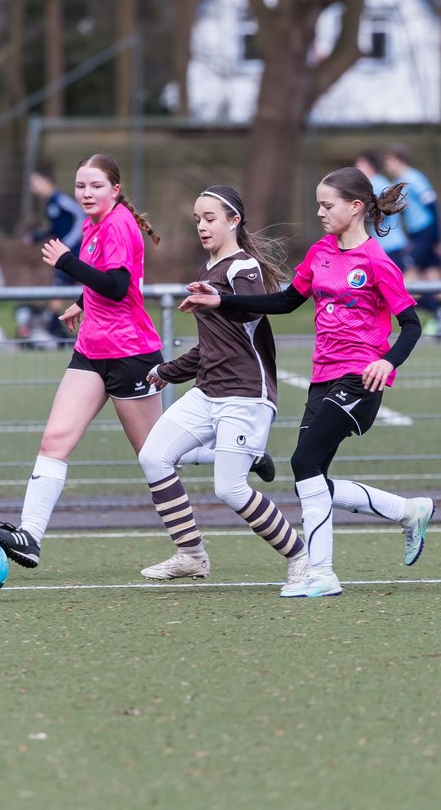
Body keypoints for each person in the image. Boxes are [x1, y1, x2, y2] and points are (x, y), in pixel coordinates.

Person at [181, 167, 435, 599]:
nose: (319, 212)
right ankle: (408, 511)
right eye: (318, 203)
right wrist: (221, 298)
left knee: (304, 465)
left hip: (359, 379)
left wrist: (388, 363)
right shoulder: (320, 252)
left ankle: (322, 575)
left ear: (355, 207)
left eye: (327, 204)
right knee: (312, 475)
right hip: (323, 378)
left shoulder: (377, 261)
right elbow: (285, 301)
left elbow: (411, 326)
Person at [0, 153, 174, 569]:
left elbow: (121, 287)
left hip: (130, 355)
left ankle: (231, 450)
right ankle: (29, 535)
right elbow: (104, 283)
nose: (86, 193)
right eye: (81, 186)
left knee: (157, 453)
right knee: (55, 440)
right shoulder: (93, 224)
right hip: (91, 352)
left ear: (115, 190)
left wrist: (68, 264)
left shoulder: (119, 223)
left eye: (96, 186)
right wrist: (80, 301)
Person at [136, 185, 307, 586]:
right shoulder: (209, 272)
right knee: (153, 457)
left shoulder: (241, 268)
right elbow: (212, 347)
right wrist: (167, 371)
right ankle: (191, 555)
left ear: (234, 221)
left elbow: (249, 307)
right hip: (208, 391)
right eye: (197, 219)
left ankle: (301, 555)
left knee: (230, 490)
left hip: (245, 394)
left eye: (210, 218)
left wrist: (217, 297)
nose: (202, 226)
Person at [383, 144, 441, 334]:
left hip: (425, 233)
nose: (387, 165)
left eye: (388, 161)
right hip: (417, 234)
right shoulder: (399, 182)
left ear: (398, 159)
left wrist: (436, 237)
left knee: (407, 277)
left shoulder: (413, 178)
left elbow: (433, 205)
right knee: (431, 274)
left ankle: (439, 312)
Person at [20, 164, 85, 346]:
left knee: (67, 287)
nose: (33, 187)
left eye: (35, 182)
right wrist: (36, 236)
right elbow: (54, 229)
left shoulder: (60, 200)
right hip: (65, 255)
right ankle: (55, 327)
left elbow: (80, 216)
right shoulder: (49, 204)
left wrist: (68, 243)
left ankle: (54, 327)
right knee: (59, 287)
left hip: (75, 253)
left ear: (46, 181)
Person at [355, 150, 410, 271]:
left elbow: (378, 212)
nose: (357, 168)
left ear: (369, 166)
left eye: (360, 164)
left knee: (401, 281)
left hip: (390, 244)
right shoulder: (378, 182)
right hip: (387, 243)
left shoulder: (376, 184)